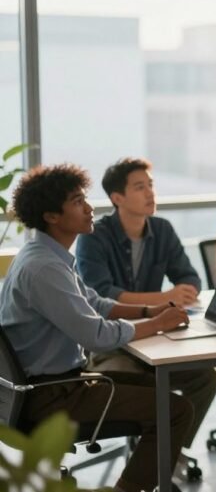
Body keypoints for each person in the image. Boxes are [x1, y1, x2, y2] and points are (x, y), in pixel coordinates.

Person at [0, 164, 193, 492]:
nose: (90, 208)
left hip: (54, 387)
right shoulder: (45, 268)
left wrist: (148, 310)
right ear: (52, 216)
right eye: (78, 202)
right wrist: (157, 324)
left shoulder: (47, 255)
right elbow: (97, 336)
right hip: (52, 397)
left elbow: (96, 303)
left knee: (161, 388)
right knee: (175, 410)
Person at [75, 158, 216, 476]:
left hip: (155, 336)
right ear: (117, 198)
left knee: (207, 377)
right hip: (110, 344)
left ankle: (171, 450)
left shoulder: (163, 230)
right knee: (146, 387)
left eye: (151, 185)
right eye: (140, 187)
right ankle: (153, 456)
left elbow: (189, 278)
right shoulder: (93, 236)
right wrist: (164, 299)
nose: (150, 193)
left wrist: (181, 292)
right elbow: (102, 294)